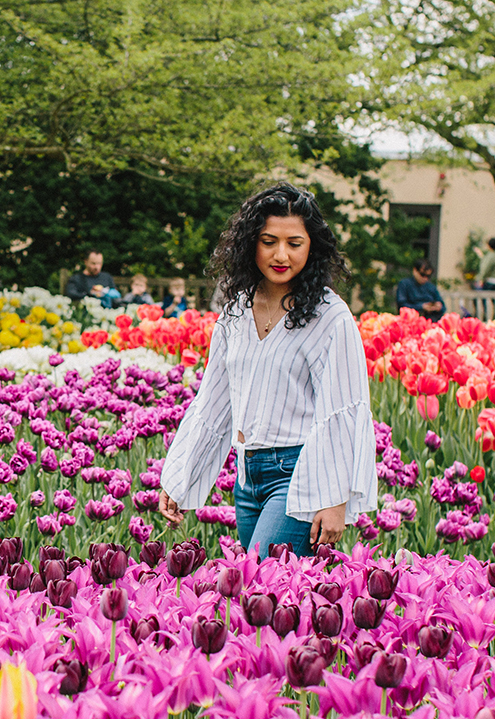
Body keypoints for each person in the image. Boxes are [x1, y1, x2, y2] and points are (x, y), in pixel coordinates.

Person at [157, 183, 377, 558]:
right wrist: (181, 477)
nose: (281, 254)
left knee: (259, 581)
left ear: (312, 247)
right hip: (247, 477)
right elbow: (214, 399)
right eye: (268, 241)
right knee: (265, 605)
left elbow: (344, 408)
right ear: (249, 244)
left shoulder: (329, 316)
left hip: (299, 474)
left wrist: (335, 497)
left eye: (294, 243)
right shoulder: (235, 312)